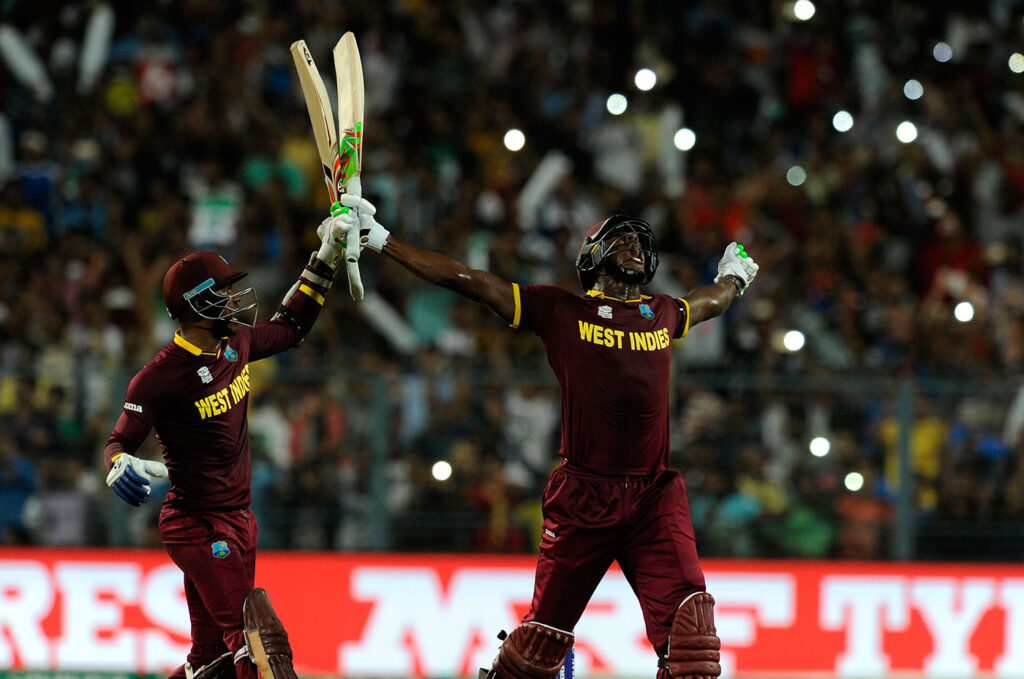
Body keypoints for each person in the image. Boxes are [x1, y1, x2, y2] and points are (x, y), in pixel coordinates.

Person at [329, 199, 758, 679]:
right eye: (622, 237)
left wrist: (733, 278)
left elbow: (711, 301)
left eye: (641, 241)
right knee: (535, 655)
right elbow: (463, 278)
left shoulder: (662, 312)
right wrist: (382, 241)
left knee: (694, 649)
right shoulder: (560, 310)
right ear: (590, 254)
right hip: (583, 497)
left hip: (655, 496)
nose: (636, 245)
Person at [103, 213, 349, 679]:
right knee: (256, 641)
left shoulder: (235, 342)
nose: (234, 300)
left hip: (240, 520)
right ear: (195, 306)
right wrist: (118, 463)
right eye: (222, 292)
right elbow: (119, 440)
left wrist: (327, 256)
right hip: (195, 525)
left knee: (209, 663)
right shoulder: (158, 378)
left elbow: (293, 327)